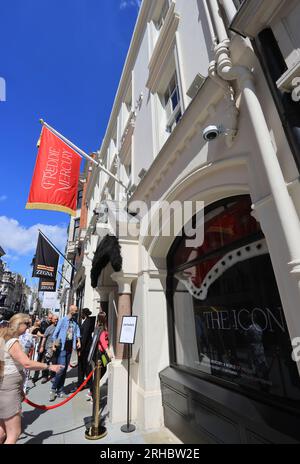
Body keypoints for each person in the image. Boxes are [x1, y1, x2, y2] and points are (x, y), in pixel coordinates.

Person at [0, 313, 63, 444]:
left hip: (6, 386)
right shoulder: (13, 342)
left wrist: (20, 391)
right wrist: (49, 367)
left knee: (2, 430)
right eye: (27, 324)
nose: (29, 327)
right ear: (18, 324)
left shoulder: (4, 337)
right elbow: (27, 363)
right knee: (14, 433)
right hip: (9, 388)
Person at [49, 305, 81, 401]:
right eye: (75, 311)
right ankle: (53, 389)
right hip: (62, 348)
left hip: (69, 348)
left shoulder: (74, 322)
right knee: (61, 368)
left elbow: (77, 331)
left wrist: (78, 341)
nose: (76, 312)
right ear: (71, 311)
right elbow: (55, 333)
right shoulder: (63, 320)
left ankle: (61, 390)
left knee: (65, 369)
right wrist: (54, 345)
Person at [38, 315, 59, 383]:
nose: (56, 320)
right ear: (52, 320)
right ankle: (45, 376)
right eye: (55, 319)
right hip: (47, 348)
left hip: (55, 348)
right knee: (46, 363)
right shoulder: (49, 328)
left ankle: (53, 376)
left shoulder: (59, 328)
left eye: (57, 319)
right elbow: (44, 337)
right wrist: (42, 346)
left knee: (54, 362)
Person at [77, 308, 94, 391]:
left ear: (84, 314)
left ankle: (89, 384)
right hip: (85, 347)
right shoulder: (86, 321)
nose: (81, 315)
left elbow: (85, 336)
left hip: (85, 348)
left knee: (85, 366)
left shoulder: (87, 322)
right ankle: (81, 383)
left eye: (82, 314)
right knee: (82, 366)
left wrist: (81, 349)